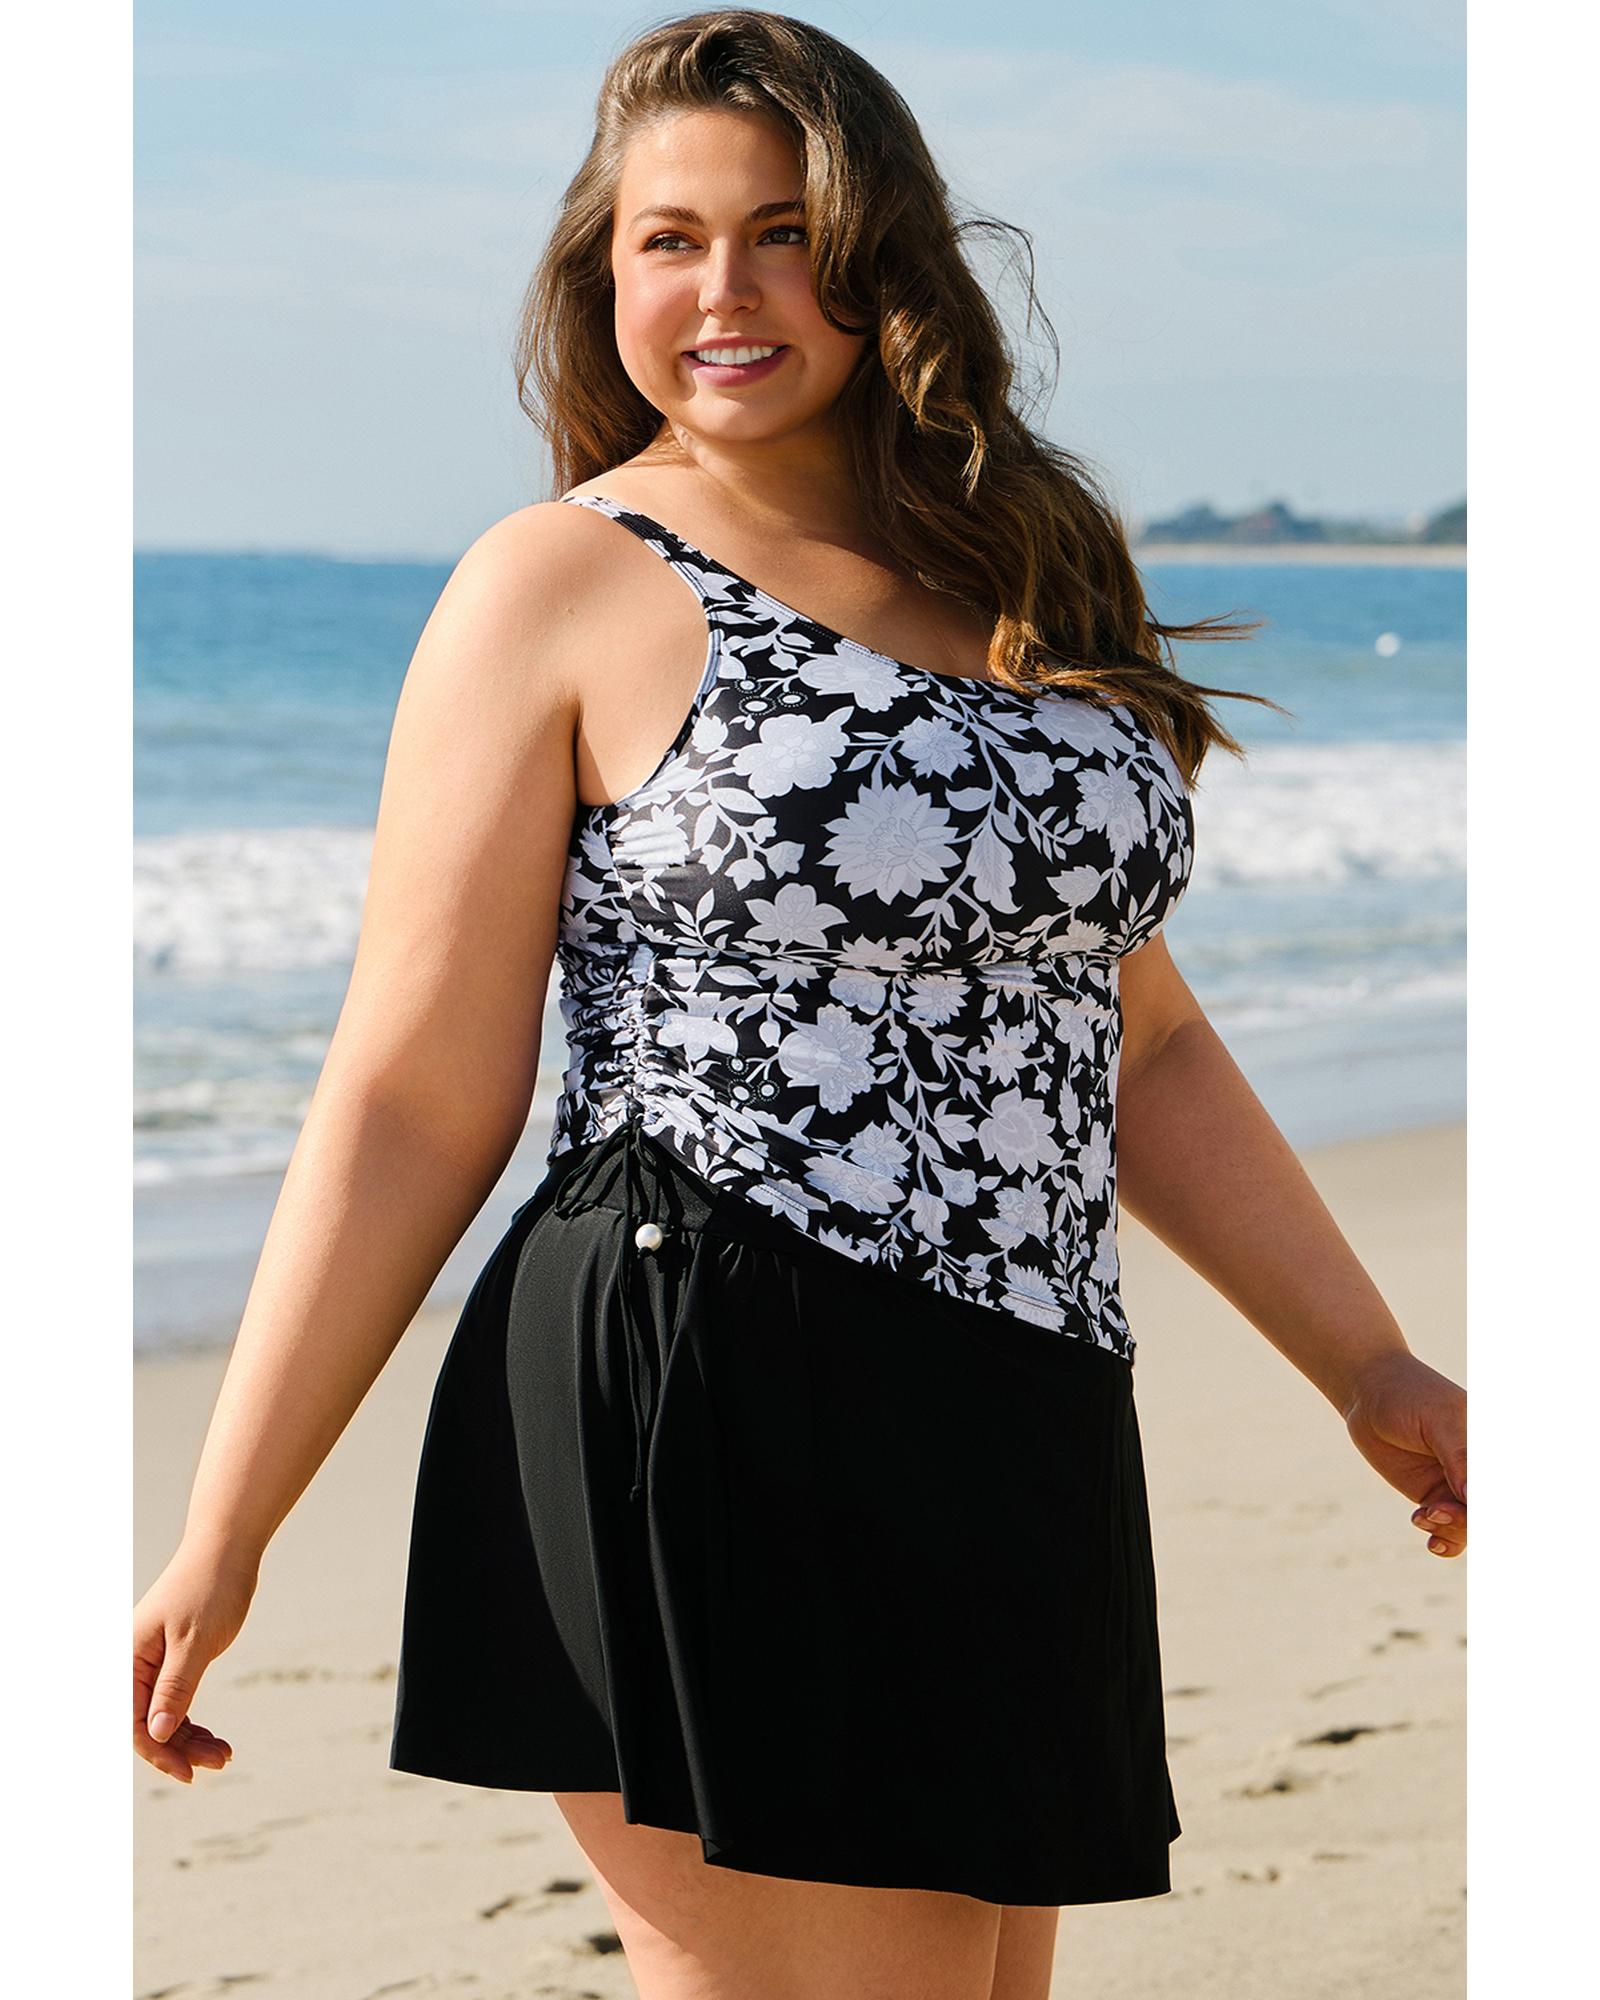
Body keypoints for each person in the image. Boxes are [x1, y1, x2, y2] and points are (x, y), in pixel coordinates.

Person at [132, 12, 1467, 1999]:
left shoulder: (1030, 561)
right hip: (716, 1361)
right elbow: (412, 1091)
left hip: (1024, 1386)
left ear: (880, 255)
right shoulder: (560, 581)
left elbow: (1139, 1033)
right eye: (668, 241)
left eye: (781, 233)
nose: (723, 293)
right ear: (601, 275)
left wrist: (1367, 1366)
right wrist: (225, 1526)